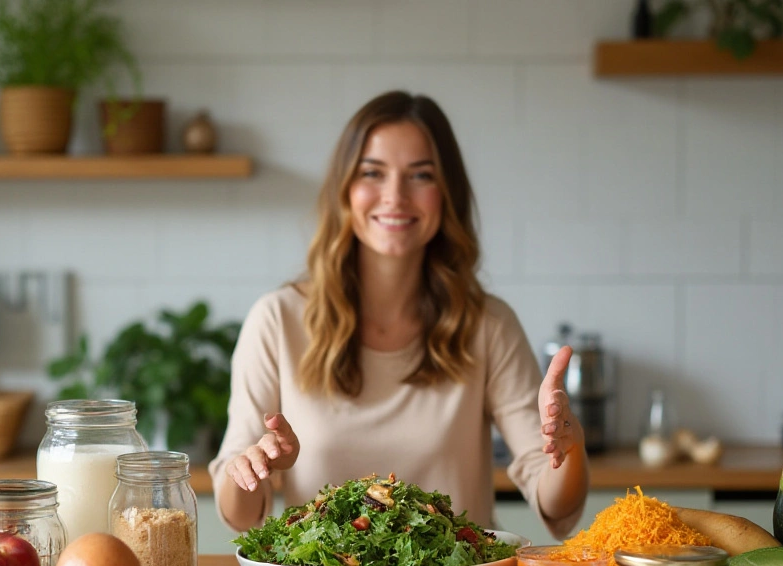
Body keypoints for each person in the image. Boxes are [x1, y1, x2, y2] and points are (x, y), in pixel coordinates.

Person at [209, 90, 589, 539]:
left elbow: (556, 502)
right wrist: (252, 464)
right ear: (345, 189)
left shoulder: (487, 324)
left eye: (421, 175)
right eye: (373, 172)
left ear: (446, 193)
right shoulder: (277, 320)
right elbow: (237, 513)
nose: (395, 196)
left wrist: (570, 447)